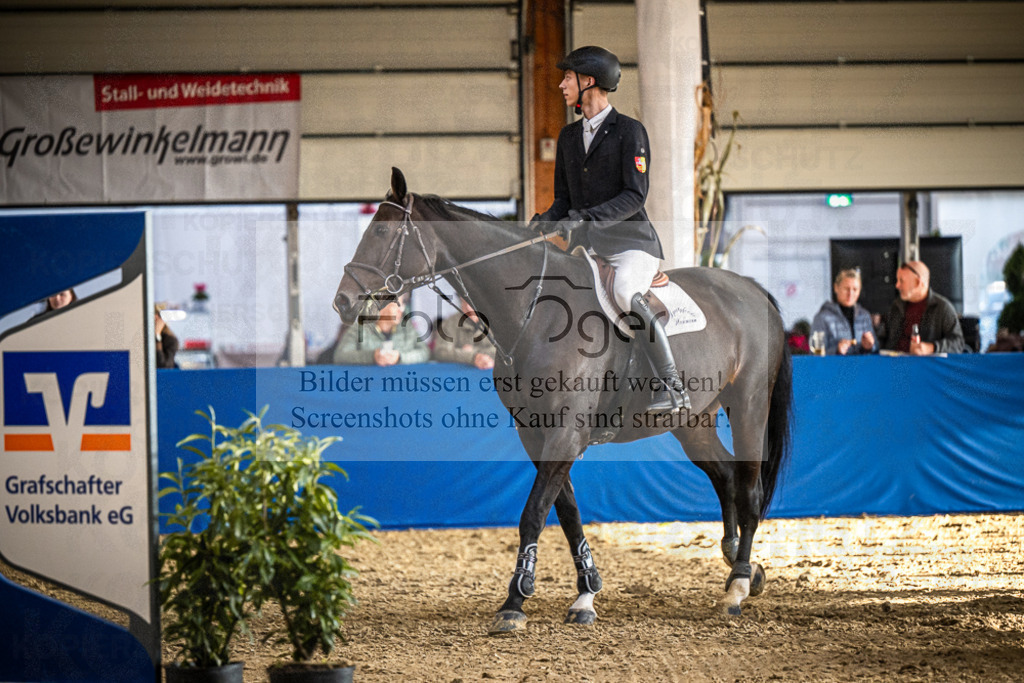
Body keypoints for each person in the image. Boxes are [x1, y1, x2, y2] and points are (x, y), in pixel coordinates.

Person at [531, 45, 687, 412]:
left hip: (631, 244)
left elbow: (635, 195)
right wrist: (541, 224)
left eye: (567, 78)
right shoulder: (568, 138)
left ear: (589, 81)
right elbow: (562, 201)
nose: (561, 85)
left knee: (625, 291)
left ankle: (672, 384)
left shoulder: (630, 132)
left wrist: (586, 218)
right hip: (589, 248)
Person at [882, 261, 965, 355]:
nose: (897, 285)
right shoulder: (896, 306)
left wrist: (932, 348)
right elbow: (883, 338)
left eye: (901, 281)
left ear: (918, 282)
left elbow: (958, 344)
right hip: (894, 365)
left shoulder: (942, 308)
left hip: (927, 366)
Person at [333, 294, 429, 366]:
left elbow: (425, 353)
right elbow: (340, 356)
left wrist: (400, 357)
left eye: (402, 305)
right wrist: (372, 356)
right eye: (395, 306)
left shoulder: (407, 328)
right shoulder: (359, 328)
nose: (401, 310)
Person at [811, 268, 878, 355]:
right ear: (836, 288)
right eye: (846, 289)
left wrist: (870, 347)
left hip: (862, 367)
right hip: (834, 368)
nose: (850, 294)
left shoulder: (865, 316)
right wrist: (836, 350)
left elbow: (876, 349)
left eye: (855, 289)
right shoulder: (821, 318)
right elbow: (815, 353)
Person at [432, 298, 496, 370]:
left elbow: (501, 351)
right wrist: (472, 357)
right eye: (463, 302)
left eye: (471, 301)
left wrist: (473, 352)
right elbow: (441, 352)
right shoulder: (450, 323)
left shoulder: (496, 321)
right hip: (458, 376)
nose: (468, 307)